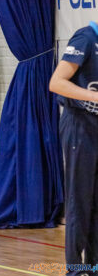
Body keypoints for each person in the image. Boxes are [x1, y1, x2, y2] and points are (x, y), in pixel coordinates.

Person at [49, 20, 98, 276]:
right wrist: (93, 96)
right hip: (80, 126)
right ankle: (76, 269)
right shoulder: (86, 38)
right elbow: (56, 82)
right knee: (80, 199)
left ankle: (94, 265)